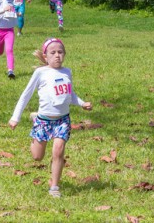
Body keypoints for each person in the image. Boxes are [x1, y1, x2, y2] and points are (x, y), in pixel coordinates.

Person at [8, 38, 92, 198]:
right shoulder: (40, 73)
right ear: (45, 57)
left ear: (64, 54)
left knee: (58, 151)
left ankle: (54, 187)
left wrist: (82, 103)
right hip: (44, 121)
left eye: (60, 52)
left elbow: (69, 94)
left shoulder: (67, 72)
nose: (57, 55)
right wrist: (15, 117)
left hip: (62, 120)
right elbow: (26, 95)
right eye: (53, 53)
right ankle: (35, 120)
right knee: (37, 157)